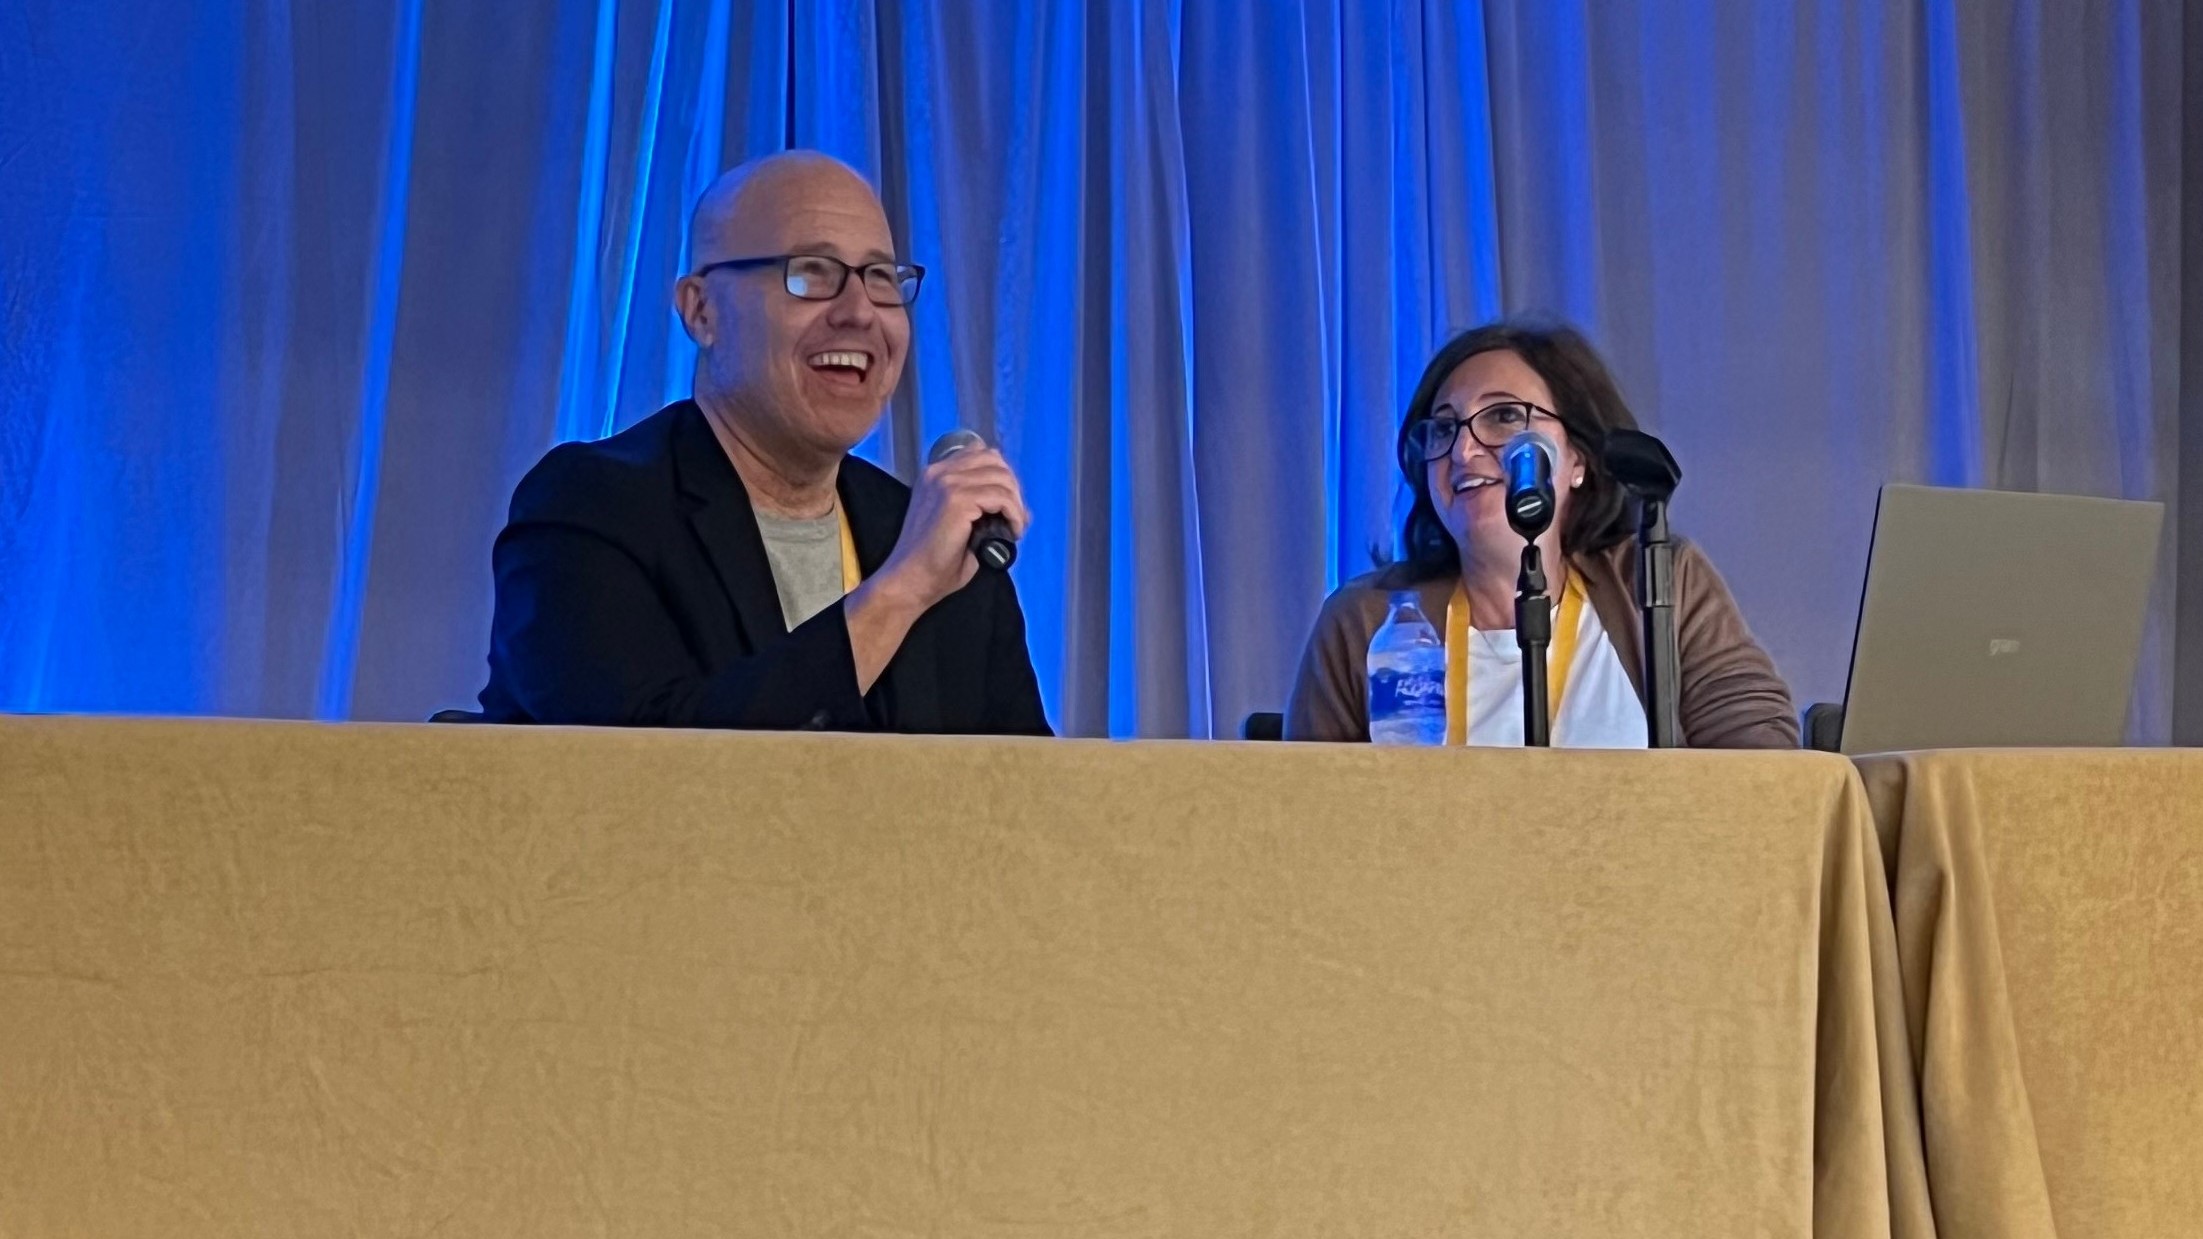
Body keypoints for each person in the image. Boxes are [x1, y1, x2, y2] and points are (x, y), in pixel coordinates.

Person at [474, 151, 1050, 734]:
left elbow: (1025, 797)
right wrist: (898, 593)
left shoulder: (939, 541)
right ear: (702, 312)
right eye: (811, 273)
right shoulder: (590, 506)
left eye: (880, 279)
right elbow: (644, 777)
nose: (858, 313)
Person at [1285, 321, 1795, 747]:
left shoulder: (1659, 580)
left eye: (1504, 416)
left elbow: (1762, 764)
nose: (1463, 452)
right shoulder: (1365, 621)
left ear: (1578, 458)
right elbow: (1307, 822)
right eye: (1444, 429)